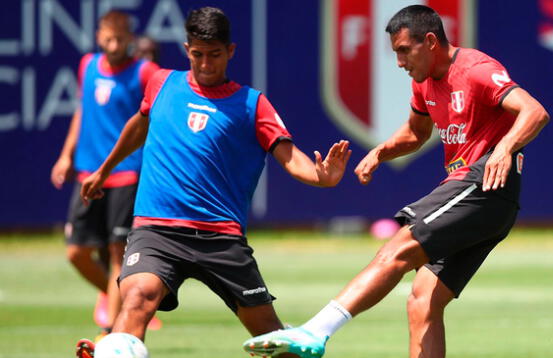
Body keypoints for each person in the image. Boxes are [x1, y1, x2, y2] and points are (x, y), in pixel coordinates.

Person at [243, 5, 549, 358]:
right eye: (396, 53)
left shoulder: (477, 69)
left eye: (404, 50)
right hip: (483, 201)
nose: (400, 62)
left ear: (431, 41)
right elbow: (417, 133)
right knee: (422, 299)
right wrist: (380, 152)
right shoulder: (424, 84)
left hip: (483, 185)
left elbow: (534, 111)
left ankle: (315, 331)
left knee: (395, 250)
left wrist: (504, 148)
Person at [74, 7, 351, 358]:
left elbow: (291, 157)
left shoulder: (252, 104)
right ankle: (112, 349)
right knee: (136, 301)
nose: (205, 64)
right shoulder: (160, 83)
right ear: (187, 49)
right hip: (157, 232)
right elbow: (138, 125)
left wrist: (321, 177)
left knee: (276, 343)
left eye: (215, 55)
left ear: (231, 51)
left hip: (221, 239)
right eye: (198, 55)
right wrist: (105, 168)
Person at [50, 10, 160, 341]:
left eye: (120, 40)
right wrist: (66, 154)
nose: (113, 46)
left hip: (126, 174)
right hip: (89, 174)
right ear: (99, 36)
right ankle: (122, 301)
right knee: (76, 252)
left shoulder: (144, 72)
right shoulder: (88, 66)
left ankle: (109, 334)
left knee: (117, 255)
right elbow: (82, 112)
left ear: (130, 39)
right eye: (107, 39)